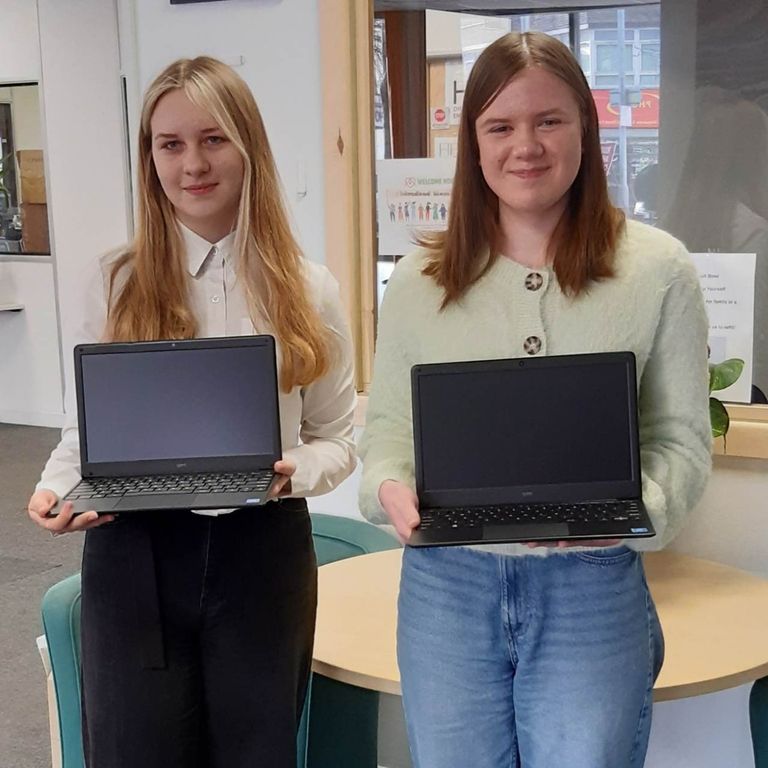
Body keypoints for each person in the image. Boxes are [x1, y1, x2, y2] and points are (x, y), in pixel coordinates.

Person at [359, 32, 711, 768]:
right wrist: (389, 485)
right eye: (500, 126)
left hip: (591, 582)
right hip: (447, 587)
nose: (526, 145)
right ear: (474, 144)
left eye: (549, 120)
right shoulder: (421, 280)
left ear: (585, 124)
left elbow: (681, 441)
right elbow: (390, 431)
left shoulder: (657, 271)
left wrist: (622, 513)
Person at [27, 57, 356, 768]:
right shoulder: (115, 282)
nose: (192, 164)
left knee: (257, 752)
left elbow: (337, 436)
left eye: (213, 139)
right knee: (134, 751)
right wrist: (56, 487)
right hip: (135, 552)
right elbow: (84, 431)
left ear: (248, 148)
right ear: (149, 158)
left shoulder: (310, 289)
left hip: (262, 553)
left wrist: (292, 469)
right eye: (169, 144)